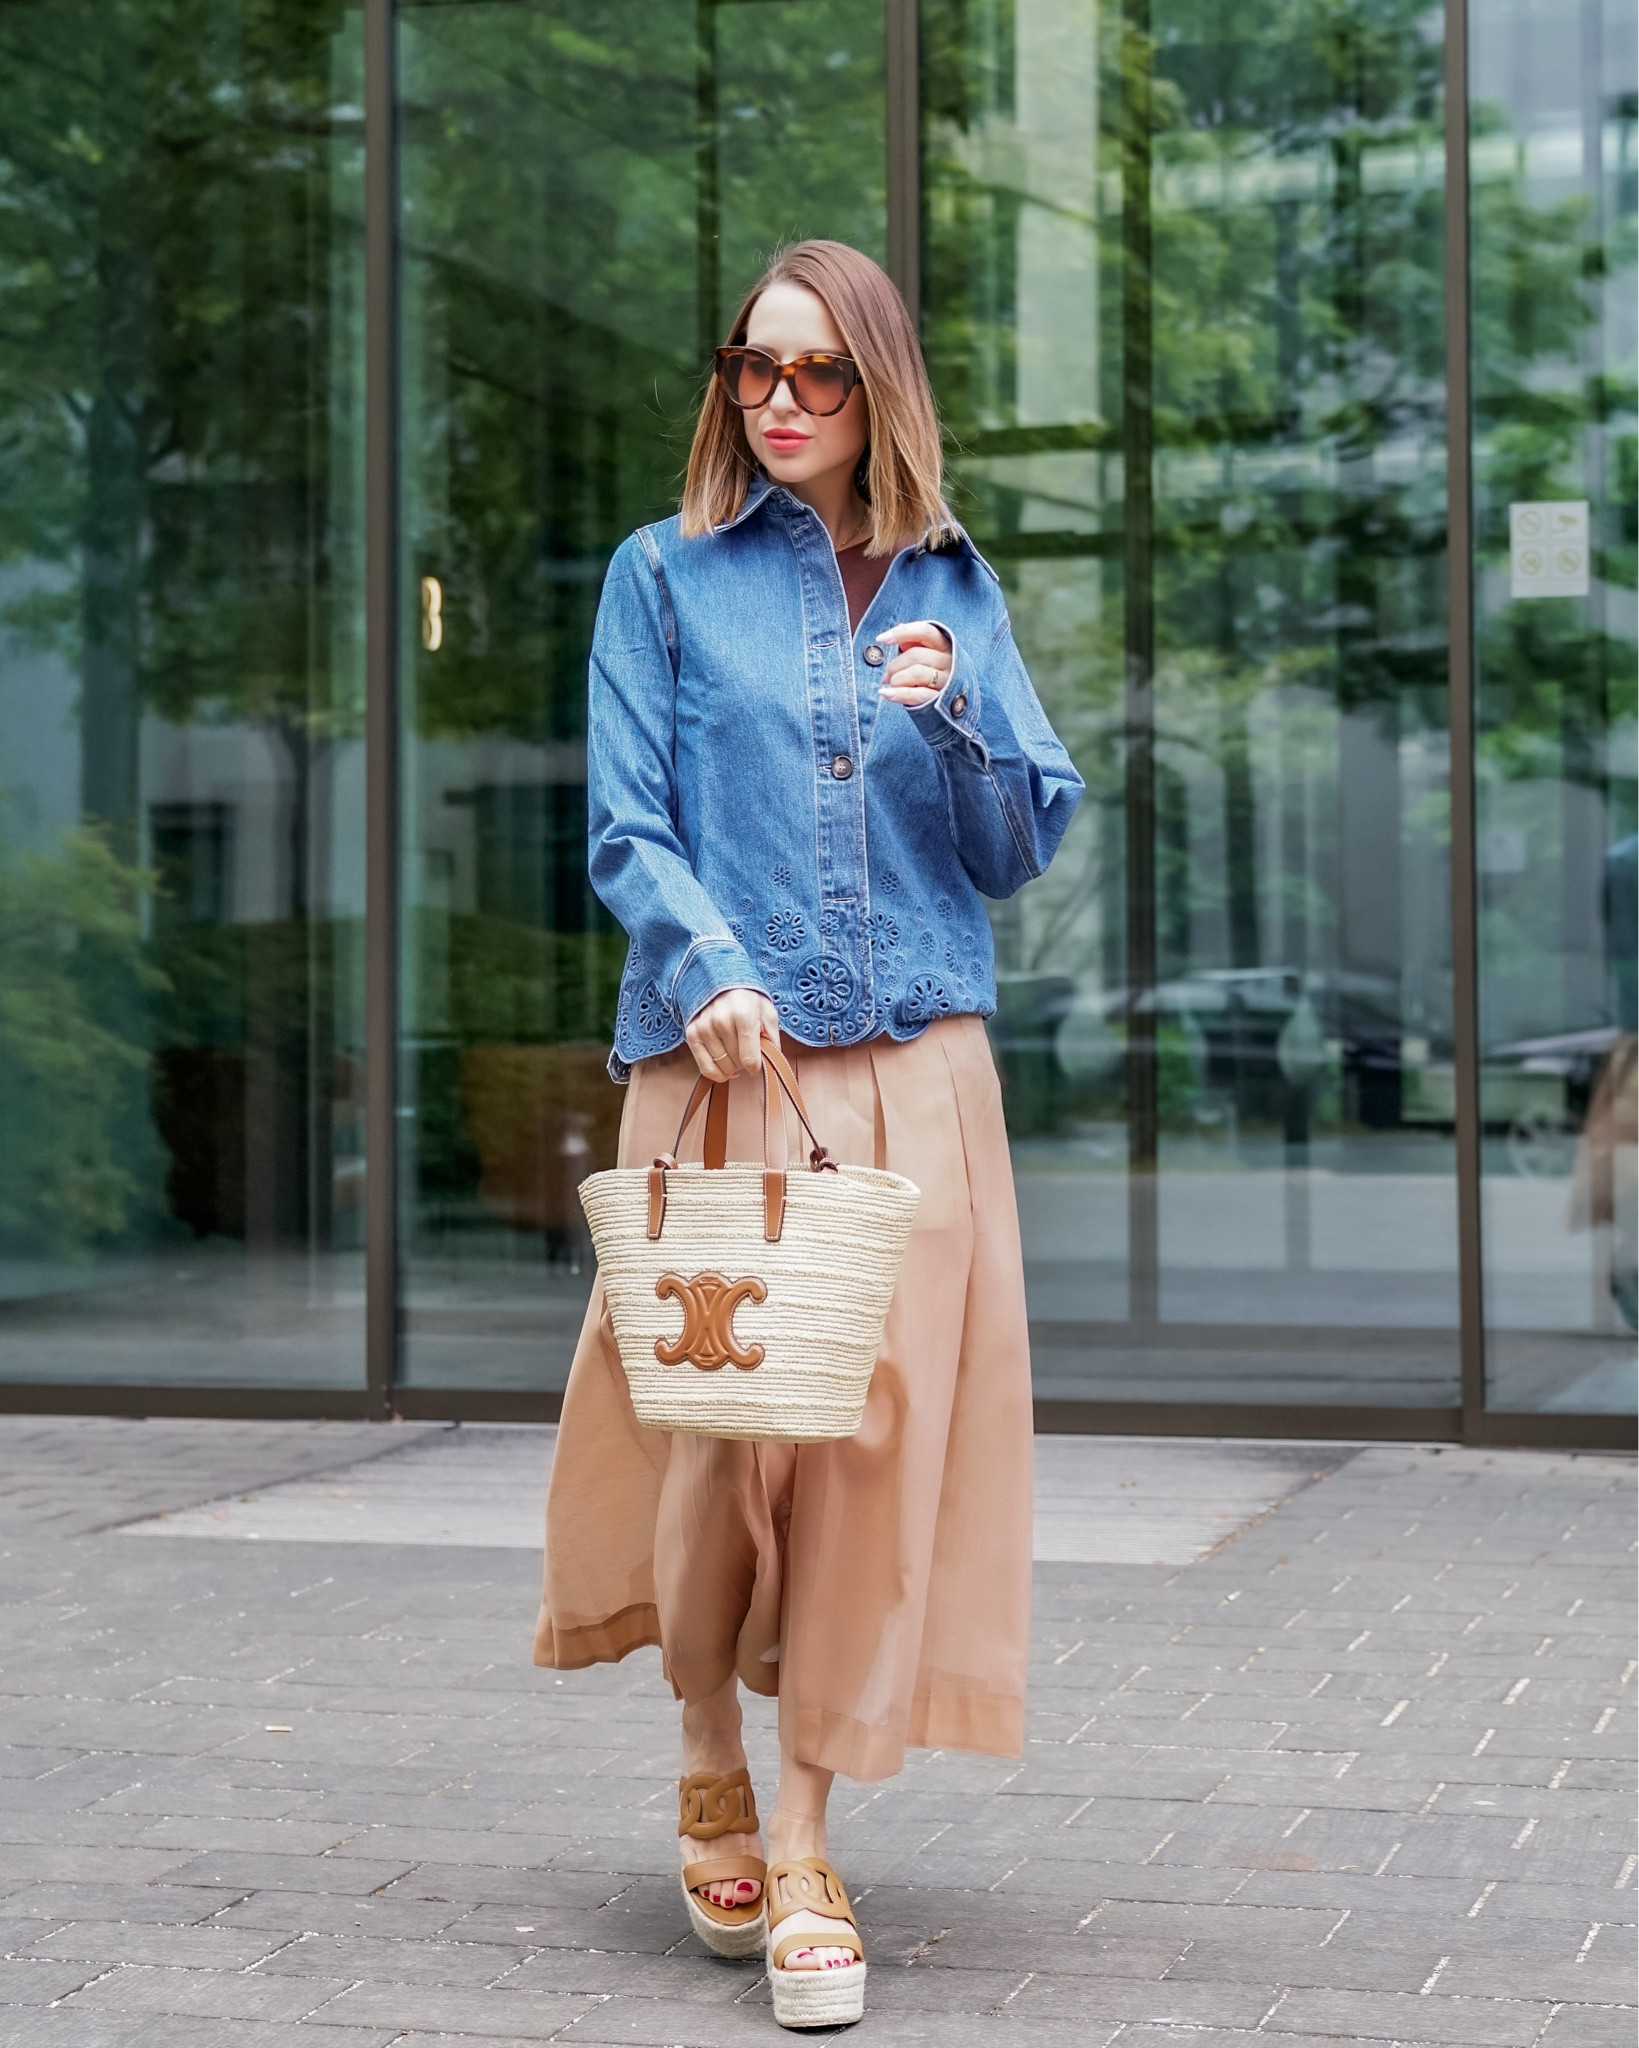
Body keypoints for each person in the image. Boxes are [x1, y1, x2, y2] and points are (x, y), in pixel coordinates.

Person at [535, 238, 1083, 2030]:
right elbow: (626, 819)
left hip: (914, 1078)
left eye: (817, 374)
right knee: (714, 1439)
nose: (778, 401)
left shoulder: (950, 586)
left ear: (880, 389)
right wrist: (702, 962)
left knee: (865, 1462)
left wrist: (960, 715)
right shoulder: (662, 576)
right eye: (752, 368)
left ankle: (807, 1834)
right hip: (723, 1064)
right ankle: (705, 1745)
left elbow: (1016, 845)